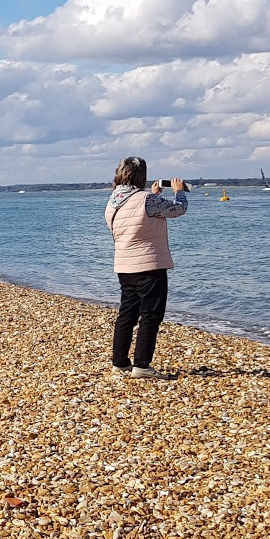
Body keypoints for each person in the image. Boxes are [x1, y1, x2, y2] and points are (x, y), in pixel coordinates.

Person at [104, 156, 188, 379]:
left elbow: (138, 219)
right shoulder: (146, 199)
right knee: (150, 315)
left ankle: (120, 362)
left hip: (124, 264)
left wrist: (155, 197)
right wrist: (179, 191)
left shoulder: (113, 200)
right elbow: (178, 210)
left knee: (127, 314)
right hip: (149, 264)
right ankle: (142, 365)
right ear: (141, 176)